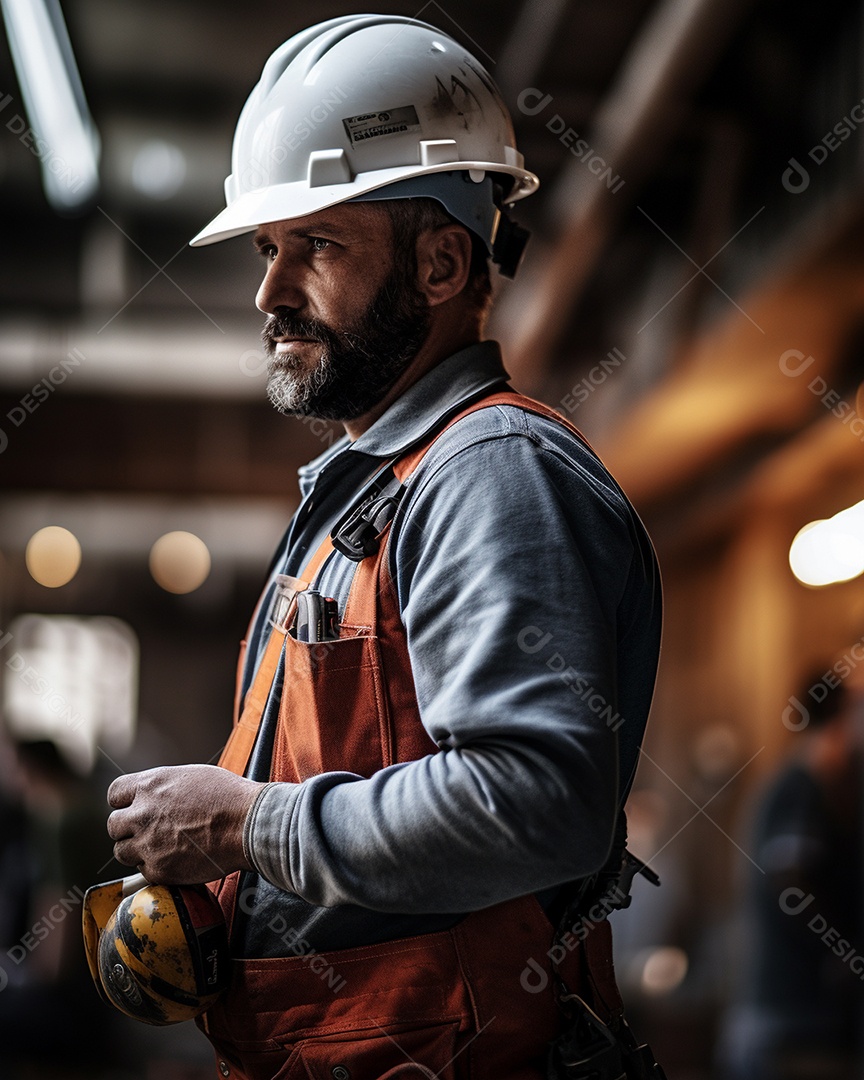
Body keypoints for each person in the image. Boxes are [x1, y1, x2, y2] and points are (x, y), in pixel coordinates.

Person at [104, 15, 662, 1079]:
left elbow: (536, 803)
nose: (269, 293)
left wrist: (244, 829)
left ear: (445, 260)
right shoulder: (375, 496)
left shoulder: (490, 474)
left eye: (316, 244)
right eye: (270, 250)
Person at [717, 674, 864, 1080]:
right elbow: (789, 882)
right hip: (789, 1020)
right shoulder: (800, 789)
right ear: (841, 719)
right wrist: (842, 954)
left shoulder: (803, 788)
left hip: (784, 1018)